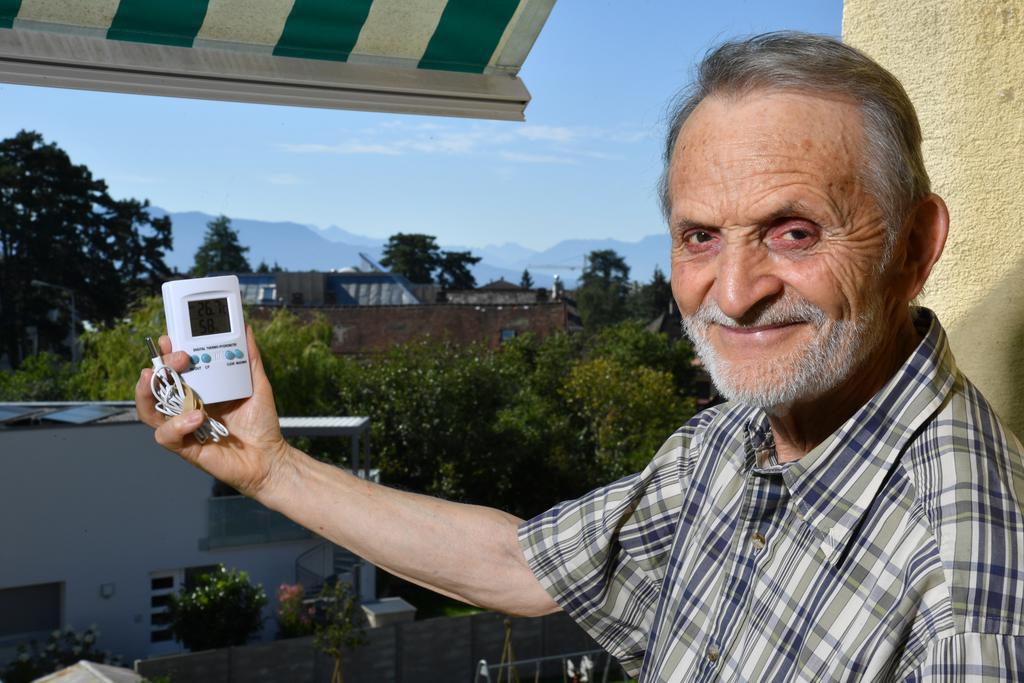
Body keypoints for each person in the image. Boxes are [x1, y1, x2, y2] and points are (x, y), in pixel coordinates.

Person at [135, 32, 1024, 681]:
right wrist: (269, 468)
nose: (737, 289)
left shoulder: (969, 583)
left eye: (793, 232)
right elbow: (522, 563)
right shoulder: (733, 442)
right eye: (701, 236)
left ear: (914, 246)